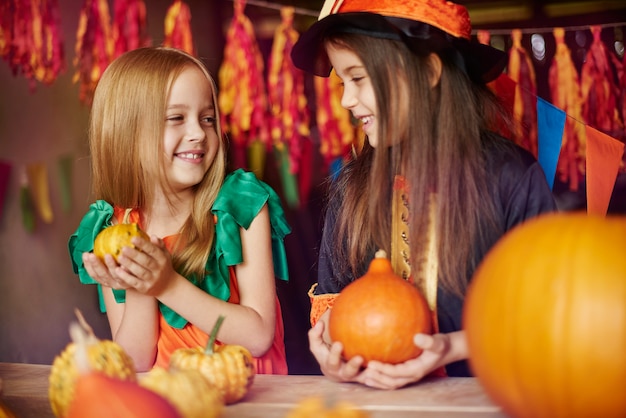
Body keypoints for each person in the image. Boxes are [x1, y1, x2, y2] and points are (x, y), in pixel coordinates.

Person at [291, 0, 558, 389]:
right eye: (342, 82)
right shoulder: (352, 188)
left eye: (359, 78)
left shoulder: (510, 177)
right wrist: (332, 353)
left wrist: (452, 346)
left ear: (429, 71)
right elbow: (336, 306)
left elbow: (548, 313)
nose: (347, 100)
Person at [68, 47, 291, 374]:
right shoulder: (112, 229)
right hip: (173, 403)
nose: (198, 133)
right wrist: (140, 282)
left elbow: (257, 336)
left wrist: (165, 284)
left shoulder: (239, 205)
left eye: (207, 118)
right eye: (176, 118)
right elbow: (136, 361)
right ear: (126, 133)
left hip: (254, 402)